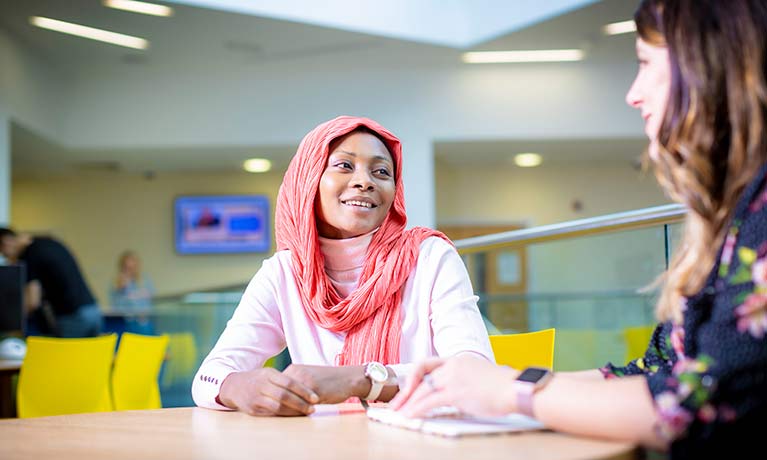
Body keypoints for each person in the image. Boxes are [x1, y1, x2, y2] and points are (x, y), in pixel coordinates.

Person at [391, 0, 767, 457]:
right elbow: (652, 370)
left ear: (706, 66)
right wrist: (488, 386)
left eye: (645, 63)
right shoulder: (733, 213)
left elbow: (697, 403)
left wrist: (515, 390)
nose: (633, 93)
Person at [192, 116, 493, 416]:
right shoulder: (284, 272)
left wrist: (360, 380)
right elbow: (210, 377)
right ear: (308, 179)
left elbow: (474, 373)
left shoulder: (429, 257)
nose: (365, 181)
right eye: (345, 165)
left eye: (382, 172)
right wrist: (235, 386)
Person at [0, 228, 103, 338]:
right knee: (90, 354)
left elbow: (32, 301)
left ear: (6, 242)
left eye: (4, 254)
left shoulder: (29, 254)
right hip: (93, 310)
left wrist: (9, 322)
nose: (9, 260)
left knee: (62, 355)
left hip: (73, 317)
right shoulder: (49, 242)